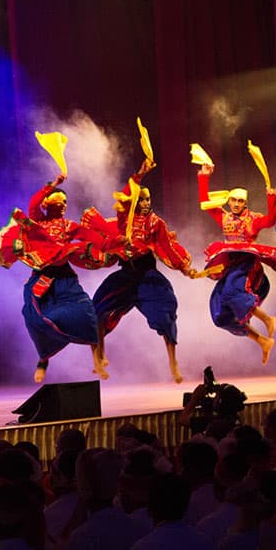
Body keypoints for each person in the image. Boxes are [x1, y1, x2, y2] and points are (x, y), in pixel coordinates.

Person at [0, 173, 110, 383]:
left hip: (65, 278)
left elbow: (89, 236)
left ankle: (97, 361)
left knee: (88, 312)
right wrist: (53, 185)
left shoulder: (68, 226)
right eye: (59, 200)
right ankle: (43, 360)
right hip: (43, 280)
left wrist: (110, 244)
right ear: (49, 204)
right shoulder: (39, 221)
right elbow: (33, 204)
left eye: (66, 202)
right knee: (38, 318)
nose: (64, 204)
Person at [89, 157, 194, 383]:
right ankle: (99, 357)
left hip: (147, 277)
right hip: (126, 275)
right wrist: (140, 174)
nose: (146, 203)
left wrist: (184, 268)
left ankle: (173, 361)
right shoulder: (124, 219)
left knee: (165, 315)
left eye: (149, 199)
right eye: (142, 199)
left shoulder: (156, 223)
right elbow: (127, 192)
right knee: (96, 309)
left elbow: (167, 247)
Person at [198, 159, 276, 364]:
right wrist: (204, 176)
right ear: (229, 201)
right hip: (231, 268)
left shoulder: (253, 219)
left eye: (240, 201)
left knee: (232, 292)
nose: (236, 204)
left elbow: (271, 220)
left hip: (248, 266)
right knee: (220, 314)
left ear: (245, 203)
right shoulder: (224, 218)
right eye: (233, 200)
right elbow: (205, 203)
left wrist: (271, 196)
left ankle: (267, 319)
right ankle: (262, 341)